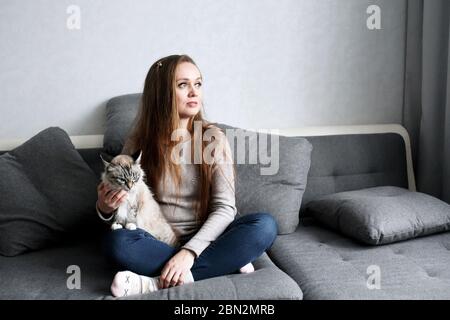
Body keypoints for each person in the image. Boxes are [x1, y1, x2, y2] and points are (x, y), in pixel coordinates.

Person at [96, 54, 277, 297]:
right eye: (183, 85)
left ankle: (154, 283)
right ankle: (223, 264)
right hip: (156, 240)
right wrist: (104, 207)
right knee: (116, 243)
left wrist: (188, 254)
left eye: (198, 84)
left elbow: (225, 208)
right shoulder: (139, 142)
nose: (194, 92)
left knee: (264, 226)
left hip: (209, 241)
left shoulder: (213, 139)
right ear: (161, 93)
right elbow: (123, 204)